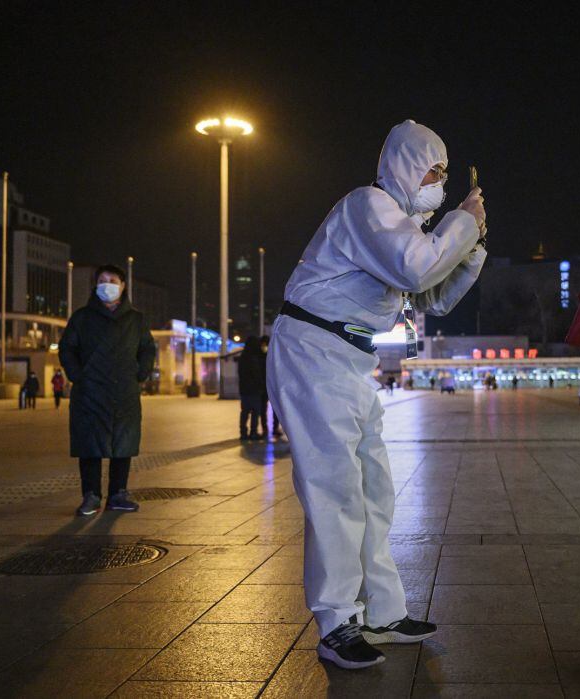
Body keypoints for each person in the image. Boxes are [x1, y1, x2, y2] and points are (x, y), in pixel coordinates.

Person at [267, 120, 486, 670]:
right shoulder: (367, 205)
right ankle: (337, 620)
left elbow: (434, 295)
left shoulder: (401, 224)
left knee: (372, 487)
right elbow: (417, 269)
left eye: (443, 174)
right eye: (433, 171)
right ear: (406, 167)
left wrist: (472, 245)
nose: (439, 182)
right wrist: (462, 223)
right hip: (313, 351)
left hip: (346, 359)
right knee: (335, 488)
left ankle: (383, 611)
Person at [60, 264, 156, 517]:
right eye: (102, 280)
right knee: (90, 445)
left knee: (122, 443)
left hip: (124, 391)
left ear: (123, 285)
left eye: (112, 280)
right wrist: (77, 376)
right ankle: (91, 495)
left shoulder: (135, 319)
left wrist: (140, 373)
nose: (107, 284)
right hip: (89, 392)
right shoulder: (82, 318)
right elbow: (67, 348)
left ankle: (118, 493)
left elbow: (147, 348)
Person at [237, 336, 266, 440]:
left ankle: (243, 433)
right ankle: (253, 432)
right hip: (254, 390)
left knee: (244, 412)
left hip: (244, 390)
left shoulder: (243, 357)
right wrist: (261, 386)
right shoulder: (254, 358)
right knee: (255, 412)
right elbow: (256, 375)